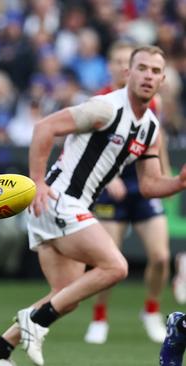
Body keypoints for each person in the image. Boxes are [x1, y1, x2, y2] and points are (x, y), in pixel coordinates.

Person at [0, 45, 186, 366]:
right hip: (59, 198)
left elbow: (149, 185)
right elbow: (45, 127)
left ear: (163, 80)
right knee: (116, 267)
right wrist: (38, 182)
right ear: (127, 73)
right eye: (141, 68)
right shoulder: (105, 108)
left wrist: (179, 182)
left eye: (155, 71)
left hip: (70, 206)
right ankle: (37, 321)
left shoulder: (150, 128)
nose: (148, 76)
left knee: (65, 295)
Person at [84, 41, 171, 344]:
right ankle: (99, 316)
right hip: (112, 187)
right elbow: (88, 148)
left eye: (152, 70)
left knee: (160, 256)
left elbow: (157, 140)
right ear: (120, 68)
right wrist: (109, 179)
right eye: (135, 65)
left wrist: (167, 176)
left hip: (142, 183)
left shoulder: (152, 103)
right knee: (109, 260)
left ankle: (151, 310)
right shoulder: (102, 102)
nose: (145, 74)